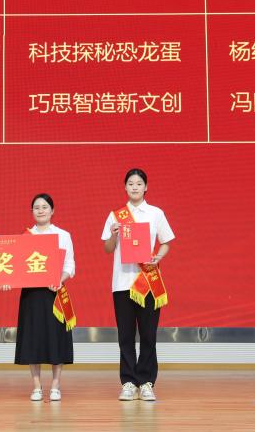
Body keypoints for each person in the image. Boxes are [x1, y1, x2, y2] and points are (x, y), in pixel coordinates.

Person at [101, 168, 175, 402]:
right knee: (125, 336)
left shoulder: (155, 213)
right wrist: (113, 234)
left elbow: (166, 242)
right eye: (131, 183)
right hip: (122, 283)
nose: (135, 187)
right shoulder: (116, 216)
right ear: (125, 187)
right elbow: (108, 248)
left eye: (139, 183)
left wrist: (158, 257)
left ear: (146, 187)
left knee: (148, 334)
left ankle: (146, 382)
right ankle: (129, 382)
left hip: (147, 282)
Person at [12, 193, 75, 402]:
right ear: (32, 212)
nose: (41, 210)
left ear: (52, 210)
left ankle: (56, 385)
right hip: (31, 295)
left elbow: (70, 265)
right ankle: (37, 386)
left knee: (56, 338)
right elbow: (16, 267)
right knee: (33, 338)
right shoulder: (25, 237)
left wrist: (60, 278)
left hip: (54, 292)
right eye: (37, 207)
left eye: (45, 207)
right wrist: (7, 280)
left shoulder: (63, 235)